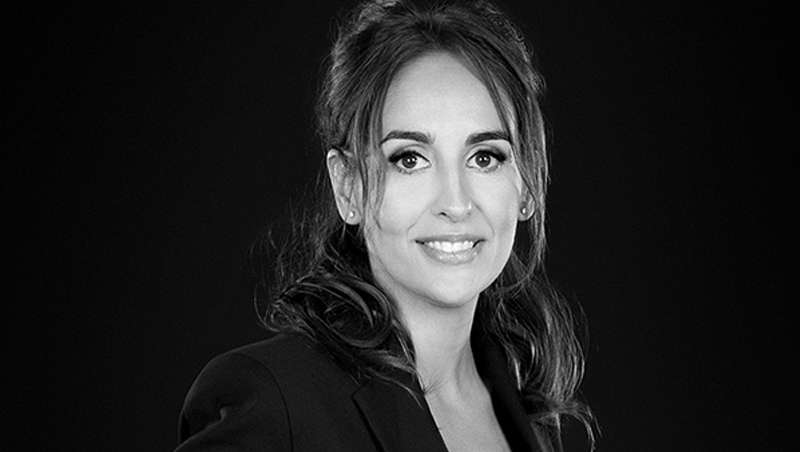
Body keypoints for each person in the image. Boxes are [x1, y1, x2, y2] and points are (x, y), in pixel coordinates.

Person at [175, 0, 593, 451]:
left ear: (527, 181)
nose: (455, 204)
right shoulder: (275, 403)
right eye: (410, 159)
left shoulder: (530, 410)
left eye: (484, 157)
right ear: (348, 187)